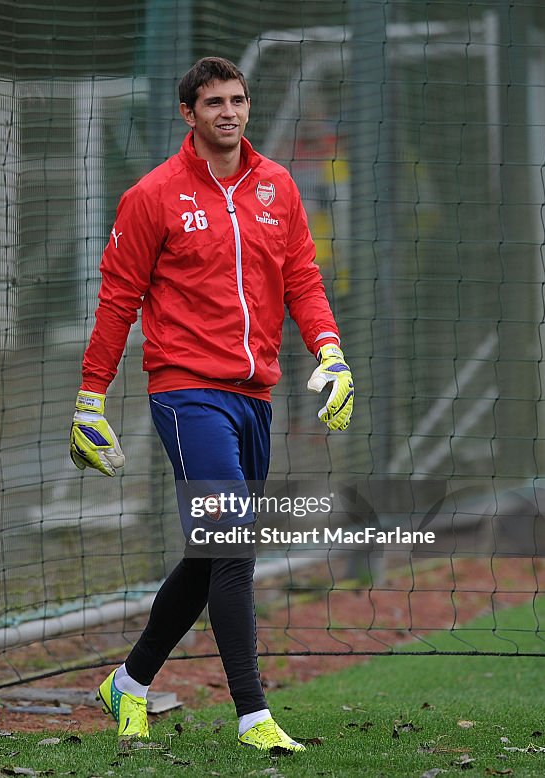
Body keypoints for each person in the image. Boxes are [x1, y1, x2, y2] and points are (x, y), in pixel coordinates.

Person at [69, 56, 354, 754]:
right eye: (213, 102)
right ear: (188, 114)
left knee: (211, 551)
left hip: (255, 394)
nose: (228, 111)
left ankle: (128, 685)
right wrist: (89, 399)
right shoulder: (153, 196)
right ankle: (254, 716)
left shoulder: (278, 187)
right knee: (234, 546)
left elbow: (304, 281)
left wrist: (331, 351)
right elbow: (117, 302)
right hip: (186, 393)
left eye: (238, 99)